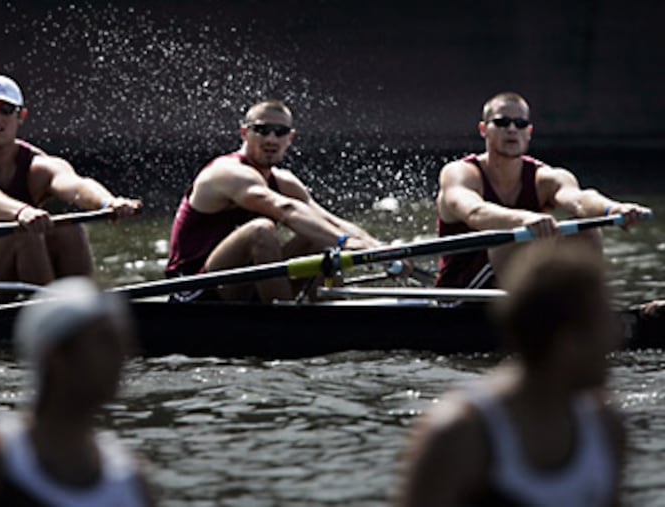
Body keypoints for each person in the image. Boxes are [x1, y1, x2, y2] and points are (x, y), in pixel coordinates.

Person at [395, 243, 626, 507]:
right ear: (566, 343)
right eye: (605, 323)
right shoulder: (456, 435)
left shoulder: (606, 427)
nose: (614, 338)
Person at [0, 277, 156, 506]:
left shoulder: (131, 480)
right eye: (105, 342)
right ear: (56, 358)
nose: (124, 357)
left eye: (123, 343)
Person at [165, 99, 401, 302]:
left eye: (280, 132)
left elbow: (329, 220)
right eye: (262, 130)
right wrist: (345, 244)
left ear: (290, 138)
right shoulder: (228, 172)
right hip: (192, 290)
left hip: (243, 284)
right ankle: (286, 320)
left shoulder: (284, 180)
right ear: (244, 133)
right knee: (261, 230)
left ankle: (329, 310)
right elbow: (284, 209)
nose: (271, 138)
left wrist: (380, 249)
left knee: (319, 237)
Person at [0, 74, 142, 284]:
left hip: (17, 264)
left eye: (6, 110)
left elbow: (76, 186)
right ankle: (49, 311)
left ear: (21, 116)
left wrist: (108, 203)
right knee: (24, 234)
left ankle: (82, 308)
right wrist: (22, 212)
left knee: (69, 228)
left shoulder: (37, 164)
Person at [435, 91, 648, 288]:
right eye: (502, 122)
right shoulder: (460, 173)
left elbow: (579, 200)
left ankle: (578, 307)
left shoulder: (544, 177)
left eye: (520, 124)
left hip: (522, 293)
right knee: (512, 238)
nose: (511, 129)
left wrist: (613, 209)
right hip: (461, 293)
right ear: (483, 130)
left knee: (587, 231)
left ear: (528, 132)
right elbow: (474, 212)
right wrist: (525, 220)